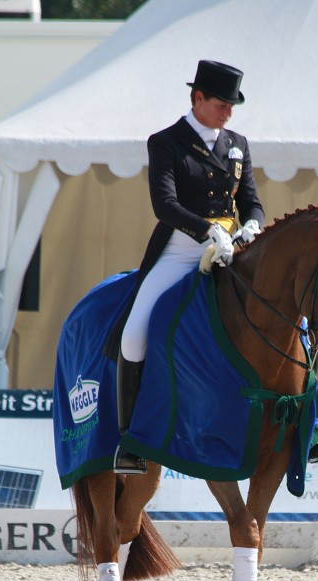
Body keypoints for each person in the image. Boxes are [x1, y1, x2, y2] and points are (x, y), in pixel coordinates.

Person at [114, 60, 266, 474]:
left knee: (289, 317)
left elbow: (251, 198)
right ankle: (130, 441)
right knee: (135, 336)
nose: (229, 112)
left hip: (232, 251)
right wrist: (205, 231)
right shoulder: (166, 142)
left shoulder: (237, 142)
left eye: (233, 104)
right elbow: (165, 204)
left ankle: (311, 426)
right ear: (197, 97)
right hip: (181, 250)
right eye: (221, 103)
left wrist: (253, 223)